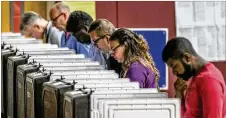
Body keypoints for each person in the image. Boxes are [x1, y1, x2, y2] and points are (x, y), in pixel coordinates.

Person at [162, 37, 226, 118]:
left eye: (174, 66)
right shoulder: (196, 77)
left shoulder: (209, 80)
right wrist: (179, 95)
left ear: (187, 57)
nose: (174, 72)